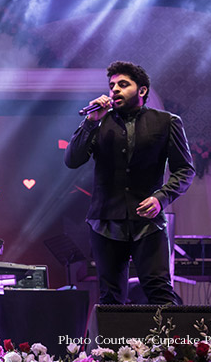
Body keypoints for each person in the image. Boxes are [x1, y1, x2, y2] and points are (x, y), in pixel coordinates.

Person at [64, 61, 194, 305]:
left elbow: (185, 170)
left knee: (160, 291)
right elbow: (72, 160)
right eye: (112, 85)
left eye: (123, 84)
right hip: (105, 221)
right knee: (110, 296)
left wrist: (161, 198)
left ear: (142, 90)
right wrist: (90, 122)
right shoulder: (99, 122)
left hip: (147, 222)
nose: (115, 89)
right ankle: (115, 334)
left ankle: (170, 333)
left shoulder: (167, 122)